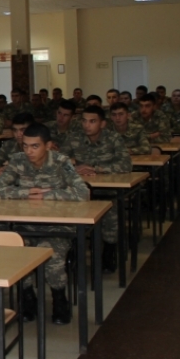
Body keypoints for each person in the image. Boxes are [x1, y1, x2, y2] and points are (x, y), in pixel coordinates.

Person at [0, 123, 89, 325]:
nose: (29, 151)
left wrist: (48, 195)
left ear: (48, 145)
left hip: (57, 228)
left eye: (35, 146)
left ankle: (60, 301)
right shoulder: (18, 160)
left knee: (52, 260)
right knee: (17, 255)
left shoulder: (60, 162)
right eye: (26, 146)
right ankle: (28, 299)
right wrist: (25, 192)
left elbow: (83, 192)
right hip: (24, 227)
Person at [61, 105, 131, 273]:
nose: (87, 125)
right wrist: (75, 168)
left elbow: (126, 164)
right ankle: (74, 252)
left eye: (92, 121)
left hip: (108, 191)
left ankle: (109, 251)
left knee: (111, 215)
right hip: (81, 192)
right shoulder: (74, 137)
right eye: (84, 121)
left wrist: (96, 168)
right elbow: (58, 161)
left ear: (103, 123)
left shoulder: (113, 138)